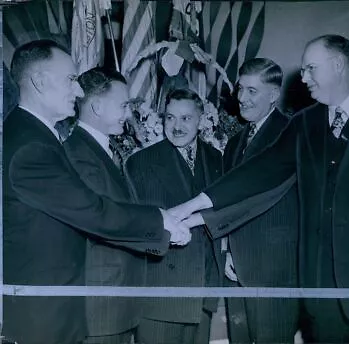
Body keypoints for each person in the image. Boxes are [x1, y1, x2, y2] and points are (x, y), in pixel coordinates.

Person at [172, 35, 349, 343]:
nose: (303, 78)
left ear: (338, 65)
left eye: (310, 69)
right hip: (321, 291)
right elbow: (258, 173)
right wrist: (189, 208)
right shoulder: (304, 122)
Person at [3, 39, 190, 344]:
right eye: (70, 80)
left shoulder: (31, 134)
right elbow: (93, 211)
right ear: (39, 81)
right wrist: (159, 219)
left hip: (52, 309)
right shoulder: (31, 146)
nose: (78, 92)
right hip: (42, 318)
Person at [63, 67, 167, 344]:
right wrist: (164, 226)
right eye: (122, 105)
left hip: (115, 299)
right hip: (100, 303)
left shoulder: (99, 148)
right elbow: (107, 220)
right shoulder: (79, 156)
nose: (128, 113)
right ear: (96, 106)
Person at [210, 58, 299, 344]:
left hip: (275, 268)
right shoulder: (236, 141)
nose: (241, 99)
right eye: (240, 89)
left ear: (273, 95)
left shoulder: (293, 133)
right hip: (235, 267)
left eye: (252, 91)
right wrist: (225, 247)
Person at [124, 88, 223, 344]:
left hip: (203, 292)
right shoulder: (140, 163)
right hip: (160, 296)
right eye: (170, 117)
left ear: (201, 120)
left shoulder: (217, 159)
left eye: (186, 118)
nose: (177, 126)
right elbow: (132, 228)